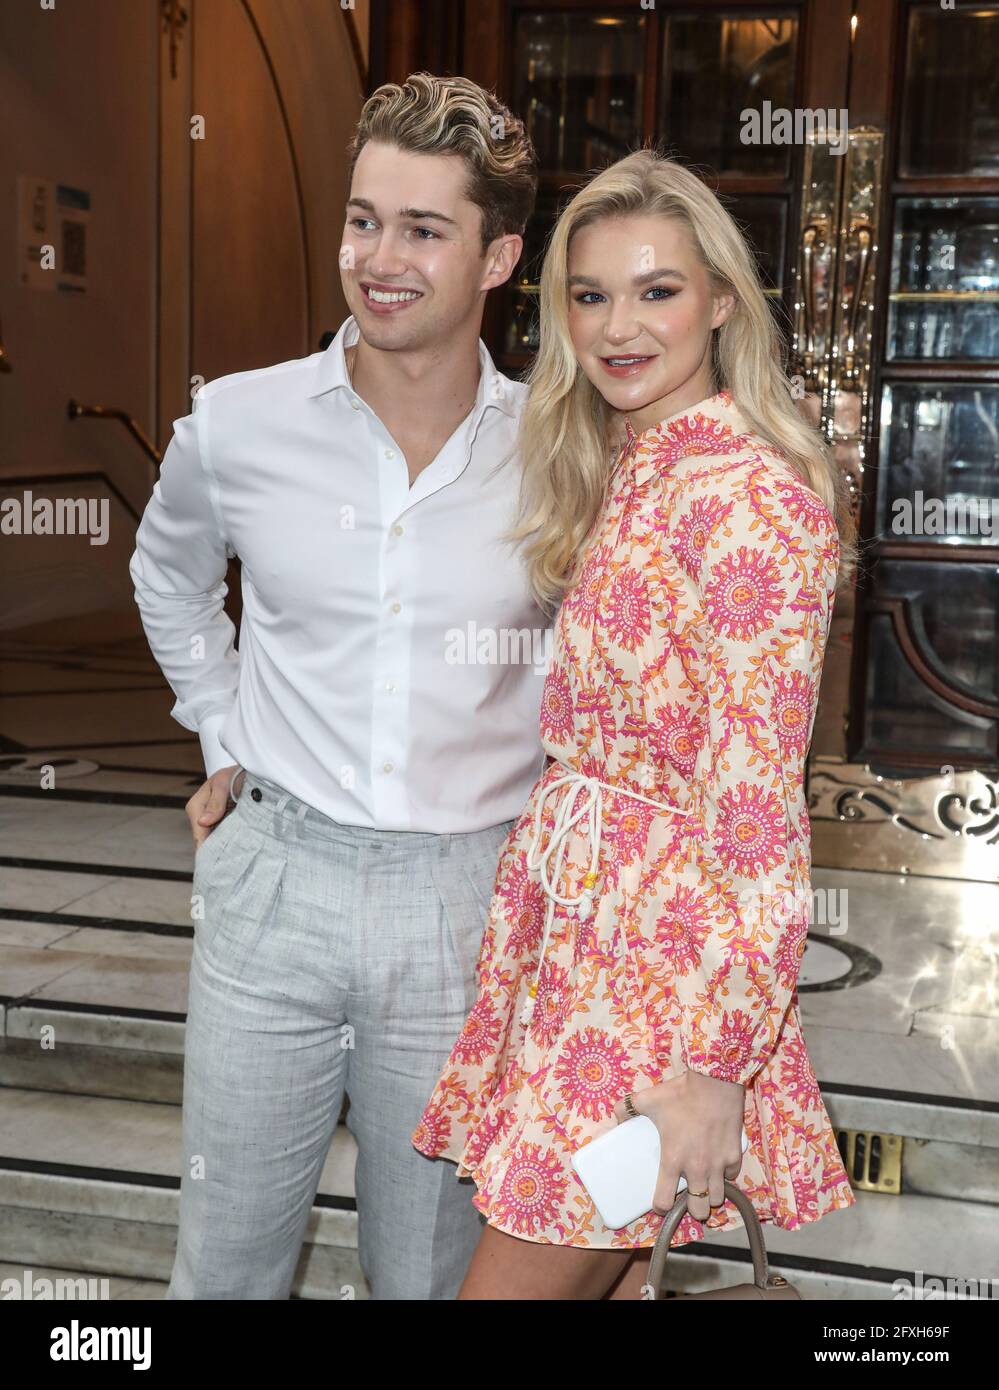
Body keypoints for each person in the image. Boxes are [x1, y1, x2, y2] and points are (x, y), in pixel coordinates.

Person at [413, 147, 859, 1300]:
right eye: (591, 293)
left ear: (719, 299)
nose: (620, 325)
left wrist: (713, 1068)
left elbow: (760, 820)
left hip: (658, 988)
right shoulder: (632, 465)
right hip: (580, 952)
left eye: (658, 290)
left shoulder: (751, 500)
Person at [129, 73, 546, 1300]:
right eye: (365, 219)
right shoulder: (239, 423)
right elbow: (168, 578)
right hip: (275, 886)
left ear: (499, 256)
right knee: (228, 1265)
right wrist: (221, 731)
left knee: (432, 1274)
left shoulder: (560, 455)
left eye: (425, 229)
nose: (381, 258)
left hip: (468, 899)